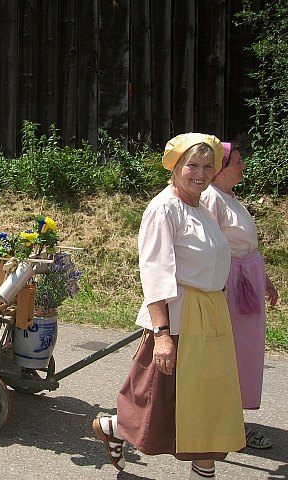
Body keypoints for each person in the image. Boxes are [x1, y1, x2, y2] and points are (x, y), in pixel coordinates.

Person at [91, 133, 245, 479]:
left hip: (209, 317)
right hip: (178, 319)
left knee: (199, 405)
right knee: (161, 402)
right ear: (175, 166)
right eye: (192, 165)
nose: (200, 173)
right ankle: (117, 427)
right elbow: (156, 272)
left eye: (209, 166)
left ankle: (113, 427)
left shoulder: (202, 207)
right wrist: (162, 335)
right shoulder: (164, 209)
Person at [201, 142, 278, 449]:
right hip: (230, 285)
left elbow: (249, 246)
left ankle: (232, 418)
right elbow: (209, 247)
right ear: (221, 167)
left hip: (246, 280)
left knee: (244, 353)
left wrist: (265, 279)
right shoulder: (211, 198)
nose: (243, 166)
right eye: (239, 161)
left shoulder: (230, 197)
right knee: (230, 354)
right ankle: (228, 423)